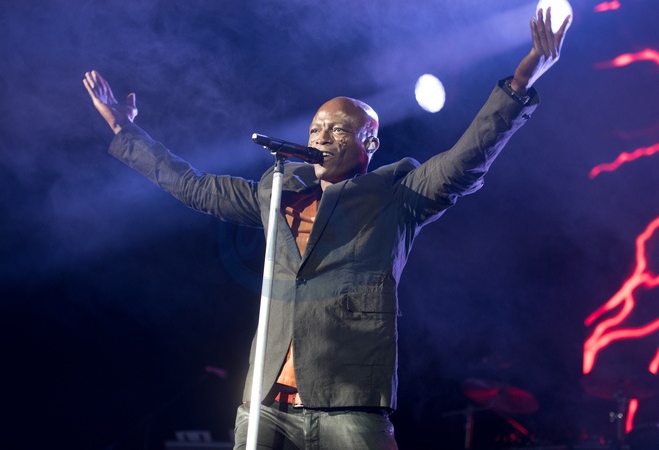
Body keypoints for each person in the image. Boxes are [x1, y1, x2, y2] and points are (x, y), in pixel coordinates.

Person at [84, 8, 569, 450]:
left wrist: (518, 85)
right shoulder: (278, 191)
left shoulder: (397, 193)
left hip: (349, 401)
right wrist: (127, 132)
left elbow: (465, 160)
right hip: (265, 405)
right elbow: (194, 186)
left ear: (369, 142)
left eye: (338, 129)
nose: (322, 136)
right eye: (316, 129)